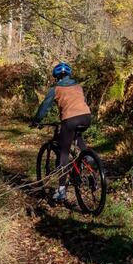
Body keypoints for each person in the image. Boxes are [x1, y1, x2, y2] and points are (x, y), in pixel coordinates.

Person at [31, 62, 92, 203]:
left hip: (69, 119)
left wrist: (36, 120)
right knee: (77, 135)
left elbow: (44, 106)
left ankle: (61, 191)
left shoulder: (55, 88)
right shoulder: (78, 86)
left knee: (64, 152)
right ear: (69, 74)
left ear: (56, 77)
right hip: (86, 117)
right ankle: (87, 157)